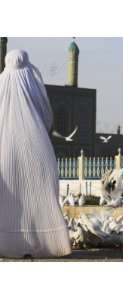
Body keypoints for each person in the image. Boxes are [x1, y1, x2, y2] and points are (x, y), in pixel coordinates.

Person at [0, 49, 71, 258]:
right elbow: (47, 114)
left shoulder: (2, 82)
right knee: (39, 191)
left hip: (3, 148)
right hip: (35, 145)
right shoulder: (31, 81)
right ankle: (47, 243)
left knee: (6, 195)